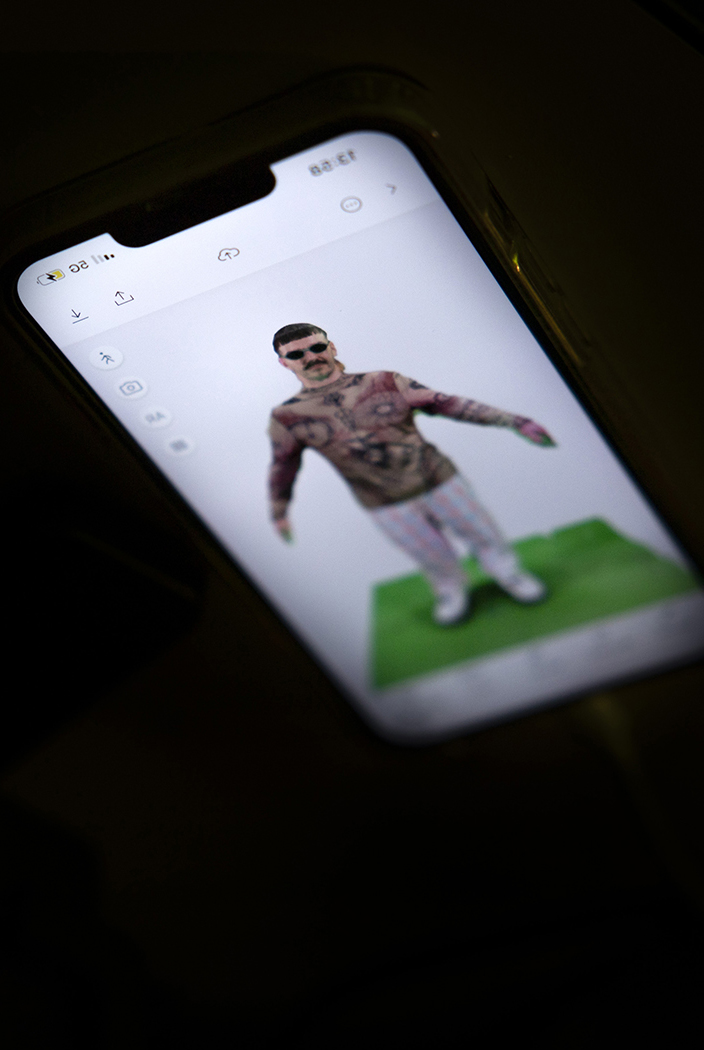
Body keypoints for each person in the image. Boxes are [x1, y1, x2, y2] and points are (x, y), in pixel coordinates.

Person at [268, 323, 556, 625]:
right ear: (284, 362)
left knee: (483, 534)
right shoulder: (287, 417)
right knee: (430, 555)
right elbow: (283, 464)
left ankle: (509, 574)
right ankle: (451, 591)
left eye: (317, 347)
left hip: (438, 479)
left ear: (331, 347)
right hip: (383, 501)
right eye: (297, 354)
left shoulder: (385, 382)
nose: (310, 357)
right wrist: (279, 511)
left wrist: (516, 422)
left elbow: (448, 404)